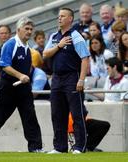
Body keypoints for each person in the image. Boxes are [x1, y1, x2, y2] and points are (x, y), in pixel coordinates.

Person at [0, 17, 43, 153]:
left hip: (23, 89)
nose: (29, 32)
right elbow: (4, 65)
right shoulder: (10, 44)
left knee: (30, 117)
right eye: (26, 29)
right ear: (18, 30)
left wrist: (26, 76)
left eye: (31, 29)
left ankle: (35, 147)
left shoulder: (27, 48)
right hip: (8, 88)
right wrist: (20, 76)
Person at [43, 8, 90, 154]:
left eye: (62, 16)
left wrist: (81, 79)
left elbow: (85, 58)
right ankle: (60, 147)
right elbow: (45, 54)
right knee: (57, 114)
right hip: (56, 78)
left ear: (70, 19)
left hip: (72, 77)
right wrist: (59, 45)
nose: (59, 18)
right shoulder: (54, 36)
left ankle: (79, 147)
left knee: (77, 113)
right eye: (58, 16)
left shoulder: (76, 36)